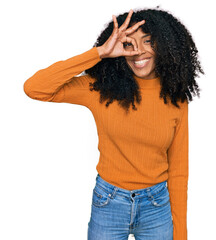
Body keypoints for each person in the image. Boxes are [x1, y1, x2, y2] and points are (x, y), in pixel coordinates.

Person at [23, 7, 204, 240]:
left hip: (156, 206)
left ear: (165, 45)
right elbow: (35, 88)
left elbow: (179, 172)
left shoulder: (175, 97)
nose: (138, 52)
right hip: (109, 202)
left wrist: (180, 235)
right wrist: (98, 53)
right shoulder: (99, 90)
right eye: (128, 44)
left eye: (148, 41)